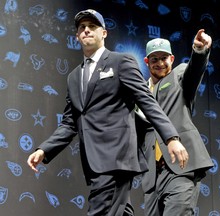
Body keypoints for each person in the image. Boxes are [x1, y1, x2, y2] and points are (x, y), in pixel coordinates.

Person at [27, 9, 189, 216]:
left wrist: (171, 137)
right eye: (82, 28)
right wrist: (44, 150)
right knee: (120, 212)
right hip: (93, 162)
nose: (86, 30)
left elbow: (146, 100)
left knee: (100, 211)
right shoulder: (74, 77)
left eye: (92, 26)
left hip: (116, 158)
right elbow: (70, 122)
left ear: (104, 33)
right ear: (77, 36)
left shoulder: (121, 62)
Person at [135, 31, 214, 216]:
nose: (160, 63)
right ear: (147, 62)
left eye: (164, 58)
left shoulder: (179, 75)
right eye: (154, 59)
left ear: (172, 58)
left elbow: (195, 70)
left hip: (180, 167)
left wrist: (200, 50)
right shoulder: (139, 92)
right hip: (153, 177)